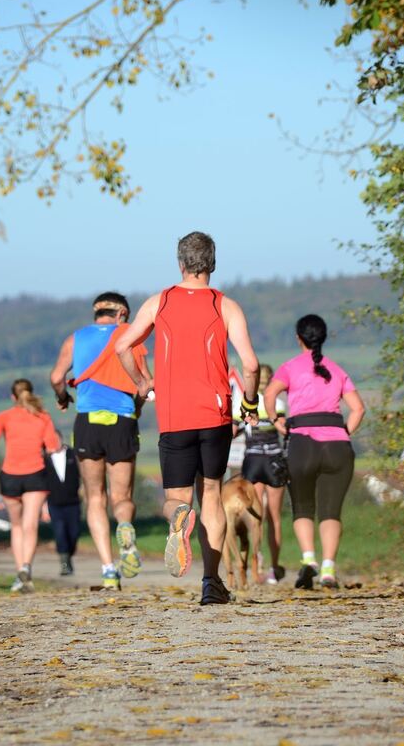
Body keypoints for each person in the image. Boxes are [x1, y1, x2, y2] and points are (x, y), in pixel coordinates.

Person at [116, 231, 260, 605]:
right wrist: (248, 403)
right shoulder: (225, 305)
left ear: (180, 263)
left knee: (177, 498)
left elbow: (122, 346)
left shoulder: (158, 302)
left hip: (174, 415)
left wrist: (143, 382)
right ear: (212, 263)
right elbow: (251, 364)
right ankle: (212, 583)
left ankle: (179, 515)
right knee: (211, 493)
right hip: (215, 415)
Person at [50, 292, 150, 591]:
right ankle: (126, 529)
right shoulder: (131, 338)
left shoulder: (75, 339)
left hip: (88, 422)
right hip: (121, 421)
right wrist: (137, 407)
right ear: (121, 313)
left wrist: (63, 396)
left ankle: (108, 570)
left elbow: (57, 377)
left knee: (95, 497)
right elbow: (145, 384)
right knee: (122, 497)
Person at [264, 314, 365, 589]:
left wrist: (277, 421)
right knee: (331, 511)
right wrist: (345, 432)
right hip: (337, 446)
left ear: (299, 338)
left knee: (303, 508)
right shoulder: (337, 369)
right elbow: (358, 408)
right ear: (324, 337)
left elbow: (270, 394)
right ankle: (329, 569)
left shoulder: (290, 368)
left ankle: (309, 560)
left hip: (302, 444)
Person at [0, 378, 59, 592]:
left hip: (10, 475)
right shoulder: (43, 416)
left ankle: (20, 574)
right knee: (31, 526)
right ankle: (27, 567)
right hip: (36, 474)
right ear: (31, 393)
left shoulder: (4, 416)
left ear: (12, 397)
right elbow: (53, 447)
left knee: (16, 526)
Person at [233, 364, 288, 585]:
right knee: (274, 517)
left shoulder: (243, 404)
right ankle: (274, 569)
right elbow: (285, 430)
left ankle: (256, 566)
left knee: (255, 517)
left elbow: (233, 431)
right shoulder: (279, 404)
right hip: (275, 460)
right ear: (272, 380)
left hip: (253, 461)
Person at [45, 430, 82, 576]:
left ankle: (69, 553)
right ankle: (64, 563)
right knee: (60, 532)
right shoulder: (44, 458)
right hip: (54, 503)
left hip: (73, 501)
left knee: (74, 532)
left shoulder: (73, 455)